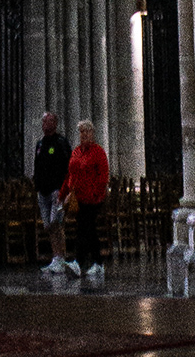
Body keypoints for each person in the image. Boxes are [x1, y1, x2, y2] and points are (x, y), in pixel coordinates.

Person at [64, 117, 110, 283]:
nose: (83, 134)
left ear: (92, 133)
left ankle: (78, 262)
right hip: (79, 198)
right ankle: (98, 263)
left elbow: (103, 176)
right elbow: (71, 173)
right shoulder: (76, 151)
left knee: (84, 229)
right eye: (81, 131)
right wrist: (67, 192)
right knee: (88, 231)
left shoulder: (98, 152)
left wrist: (97, 194)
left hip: (93, 199)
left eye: (86, 131)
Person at [32, 112, 70, 274]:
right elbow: (37, 165)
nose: (45, 124)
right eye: (43, 121)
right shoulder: (40, 144)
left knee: (56, 224)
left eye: (48, 121)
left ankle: (61, 257)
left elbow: (68, 167)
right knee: (48, 226)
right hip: (43, 191)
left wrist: (65, 190)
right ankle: (56, 258)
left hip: (57, 191)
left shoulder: (60, 142)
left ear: (55, 123)